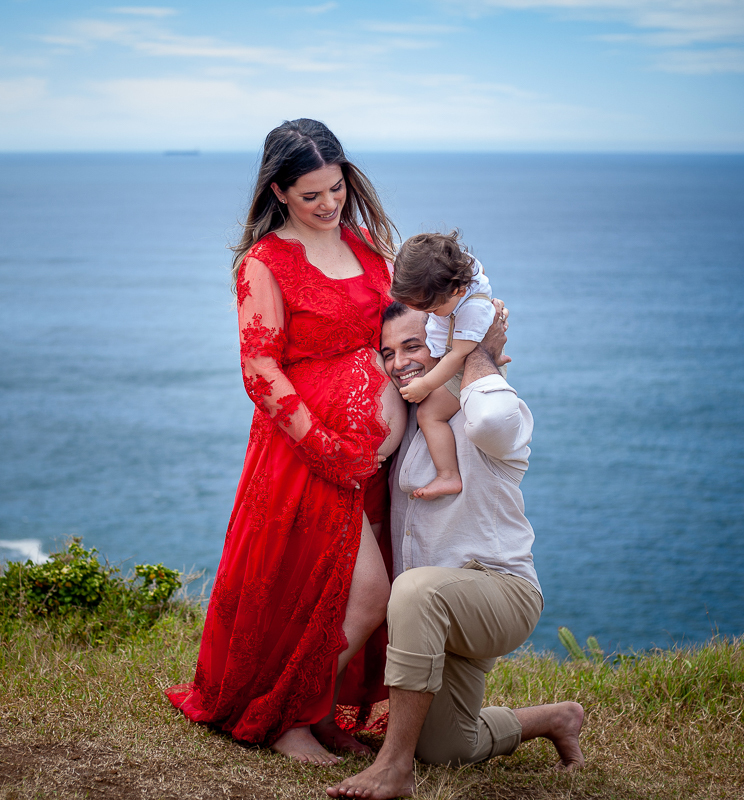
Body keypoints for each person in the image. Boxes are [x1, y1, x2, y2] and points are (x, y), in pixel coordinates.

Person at [166, 119, 407, 765]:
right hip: (311, 456)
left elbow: (399, 329)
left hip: (372, 461)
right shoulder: (264, 263)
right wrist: (329, 450)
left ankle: (320, 712)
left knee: (337, 593)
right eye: (311, 195)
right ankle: (283, 719)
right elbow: (259, 369)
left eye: (337, 188)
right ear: (278, 191)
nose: (329, 204)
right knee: (365, 592)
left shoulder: (366, 245)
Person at [328, 302, 584, 799]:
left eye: (413, 346)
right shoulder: (407, 421)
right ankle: (556, 718)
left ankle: (393, 768)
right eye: (388, 352)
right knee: (446, 747)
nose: (399, 362)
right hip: (436, 615)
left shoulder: (487, 411)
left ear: (444, 346)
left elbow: (489, 418)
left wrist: (478, 353)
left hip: (499, 593)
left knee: (414, 590)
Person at [390, 232, 496, 501]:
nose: (426, 312)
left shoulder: (473, 309)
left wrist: (425, 385)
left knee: (428, 414)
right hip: (452, 356)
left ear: (457, 290)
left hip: (463, 368)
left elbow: (458, 356)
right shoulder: (461, 266)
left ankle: (448, 475)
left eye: (432, 308)